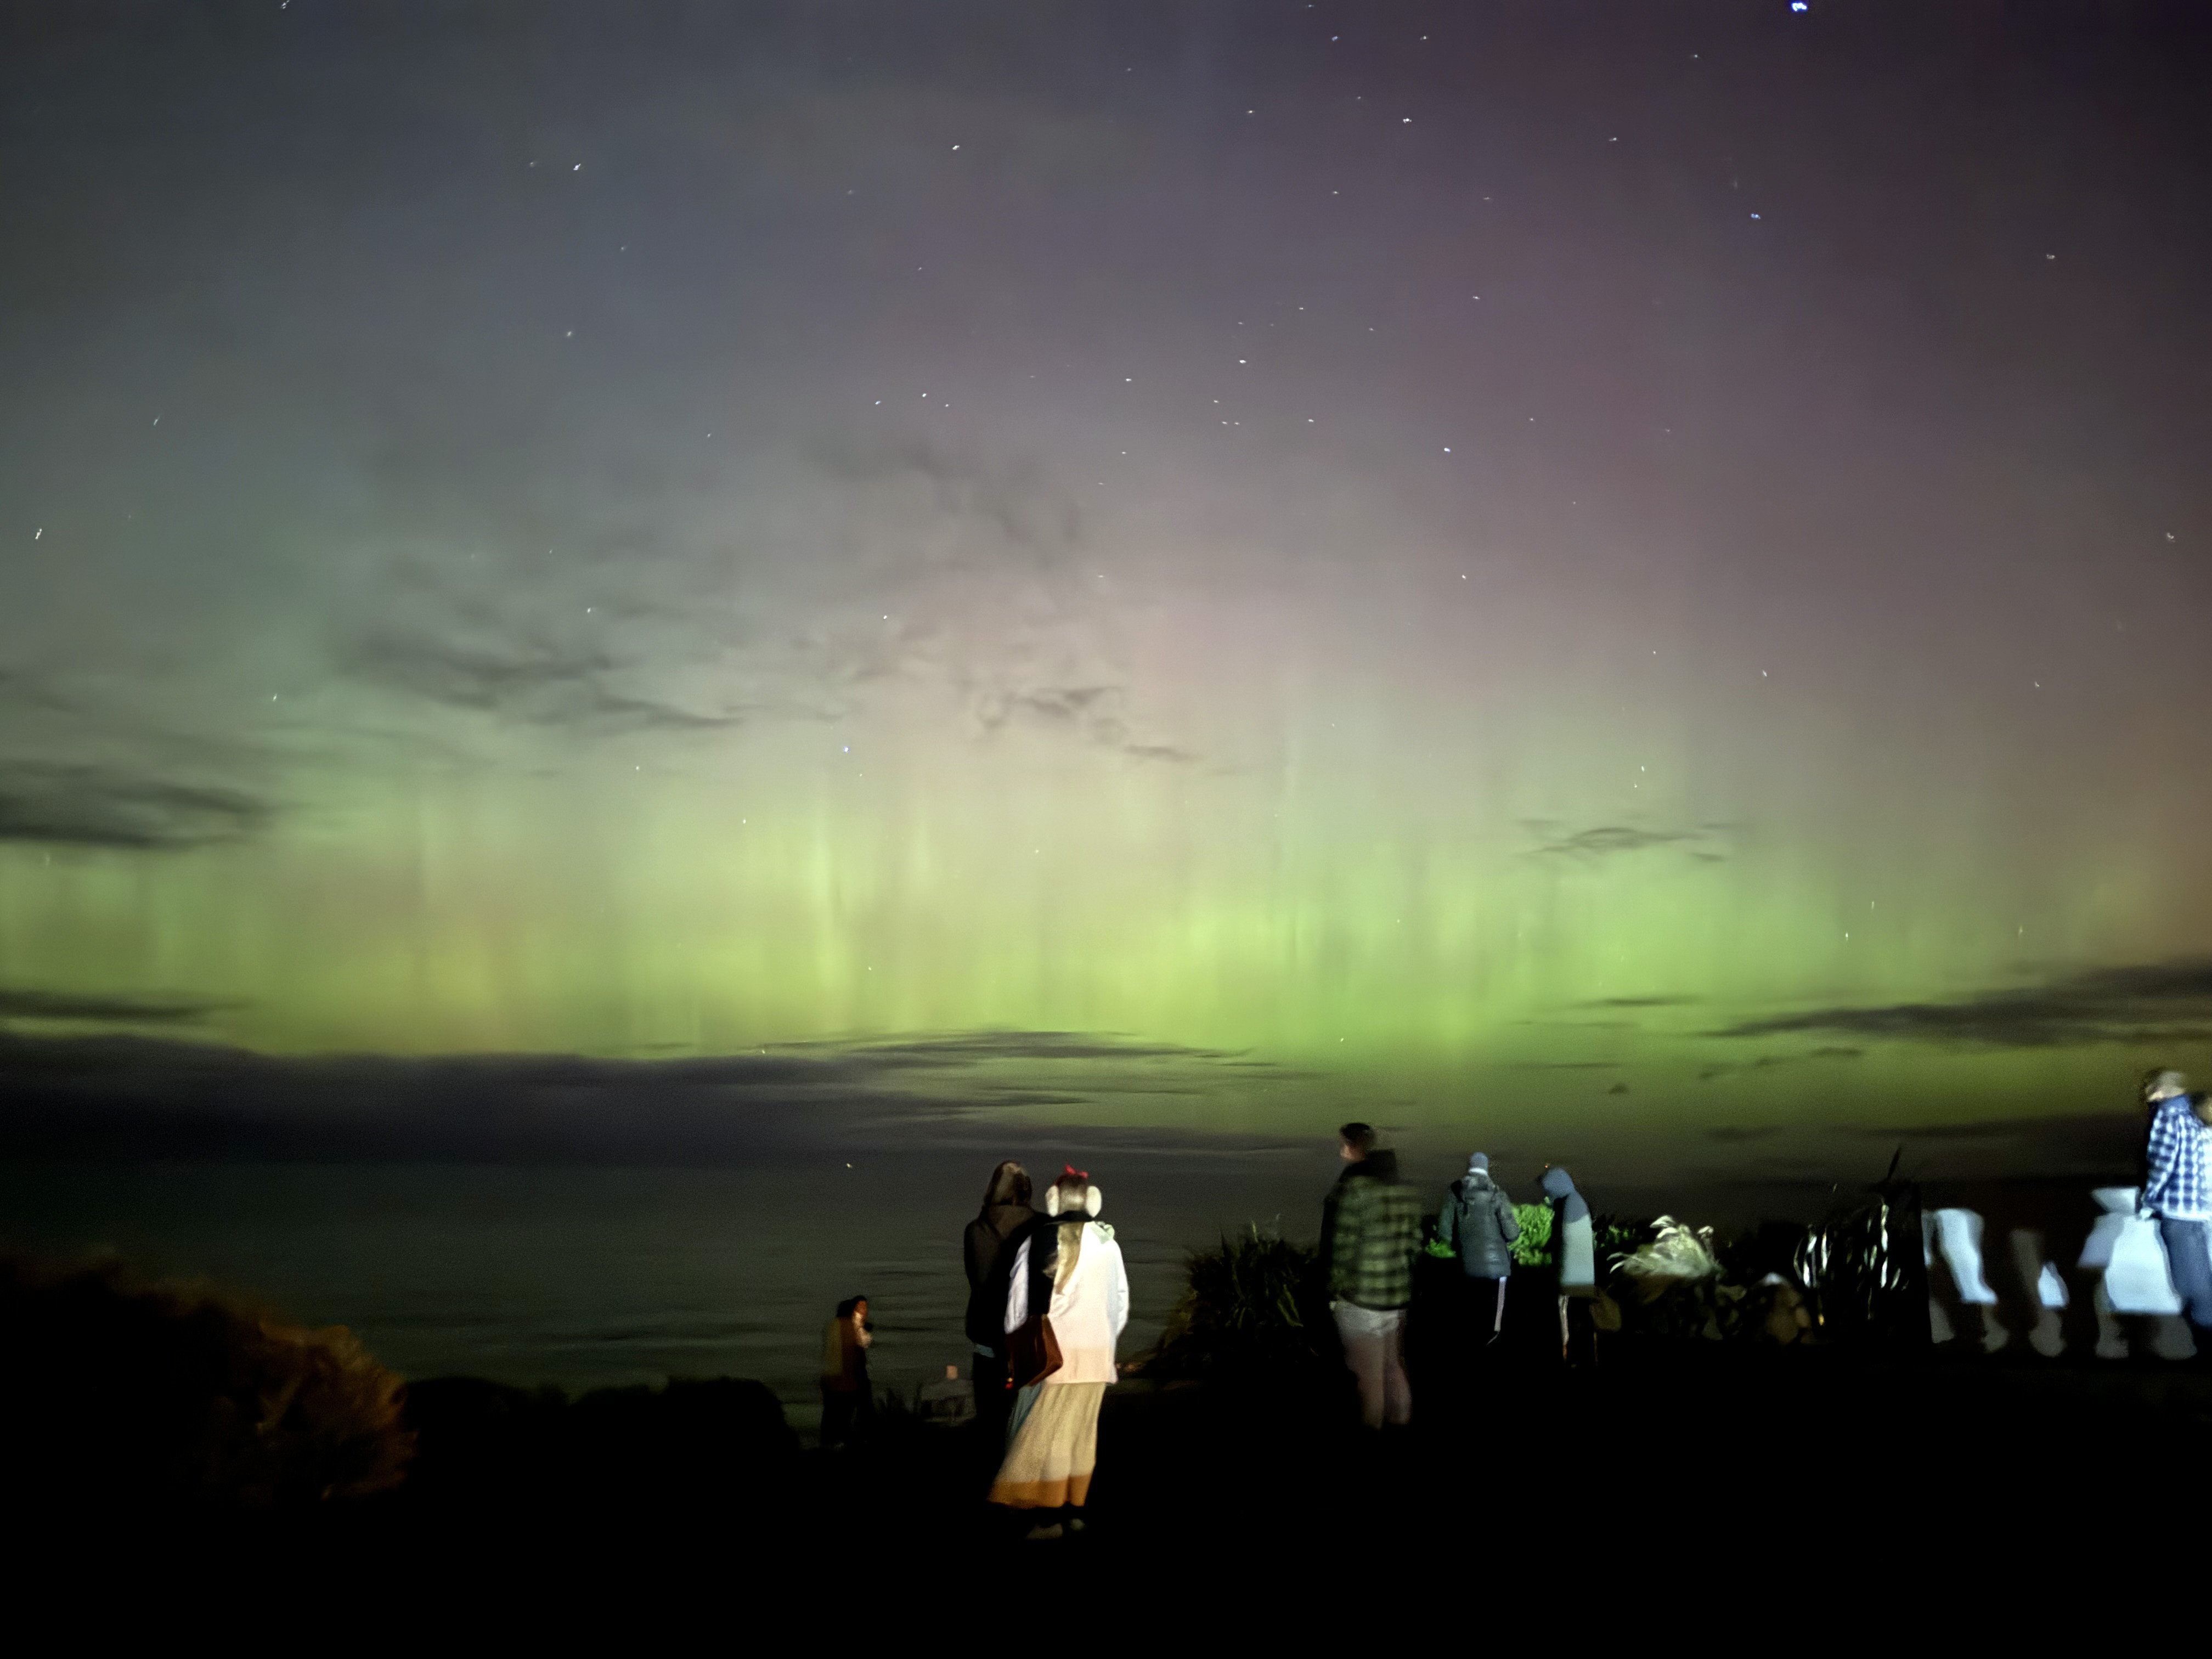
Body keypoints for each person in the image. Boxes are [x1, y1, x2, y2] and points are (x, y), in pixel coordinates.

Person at [989, 1167, 1128, 1539]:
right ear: (1092, 1200)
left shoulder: (1037, 1240)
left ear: (1053, 1201)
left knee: (1048, 1438)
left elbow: (1017, 1306)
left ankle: (1049, 1519)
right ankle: (1076, 1511)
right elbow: (1120, 1303)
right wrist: (1105, 1339)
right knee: (1082, 1436)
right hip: (1097, 1356)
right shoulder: (1109, 1244)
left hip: (1058, 1358)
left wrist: (1016, 1346)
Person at [1321, 1121, 1420, 1429]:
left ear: (1358, 1149)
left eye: (1346, 1145)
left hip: (1361, 1299)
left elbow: (1342, 1248)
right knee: (1393, 1366)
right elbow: (1413, 1246)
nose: (1342, 1152)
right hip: (1397, 1298)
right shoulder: (1407, 1192)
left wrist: (1335, 1293)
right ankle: (1402, 1425)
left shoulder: (1355, 1190)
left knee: (1368, 1377)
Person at [965, 1160, 1035, 1451]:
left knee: (990, 1427)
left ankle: (991, 1486)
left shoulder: (974, 1231)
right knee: (1027, 1430)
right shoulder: (1041, 1227)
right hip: (1027, 1342)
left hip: (985, 1339)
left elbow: (976, 1279)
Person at [2140, 1068, 2212, 1350]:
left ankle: (2205, 1350)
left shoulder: (2168, 1116)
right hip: (2202, 1212)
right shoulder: (2197, 1116)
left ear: (2157, 1089)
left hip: (2179, 1214)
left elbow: (2162, 1164)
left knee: (2191, 1287)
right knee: (2201, 1285)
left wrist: (2148, 1200)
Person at [1436, 1152, 1520, 1347]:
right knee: (1495, 1318)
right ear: (1486, 1168)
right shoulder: (1497, 1194)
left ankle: (1471, 1349)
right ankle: (1492, 1348)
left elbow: (1444, 1232)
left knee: (1471, 1313)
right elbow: (1512, 1234)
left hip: (1466, 1267)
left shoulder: (1455, 1193)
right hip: (1498, 1270)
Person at [1541, 1165, 1596, 1365]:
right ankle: (1583, 1358)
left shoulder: (1570, 1205)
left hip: (1572, 1277)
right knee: (1580, 1320)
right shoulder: (1576, 1201)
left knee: (1568, 1320)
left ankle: (1569, 1357)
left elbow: (1563, 1241)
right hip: (1584, 1277)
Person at [819, 1294, 874, 1448]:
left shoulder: (832, 1326)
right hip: (846, 1381)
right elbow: (854, 1355)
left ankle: (829, 1443)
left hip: (831, 1379)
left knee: (831, 1417)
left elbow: (830, 1354)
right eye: (859, 1309)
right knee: (845, 1417)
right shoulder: (849, 1328)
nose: (864, 1312)